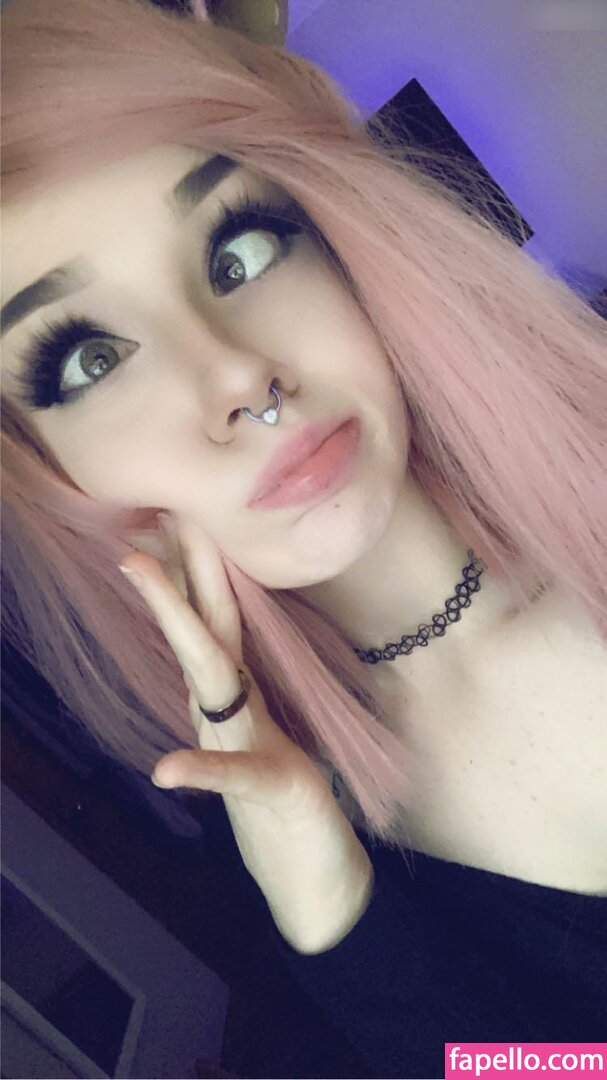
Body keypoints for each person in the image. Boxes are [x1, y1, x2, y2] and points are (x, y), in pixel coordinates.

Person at [2, 0, 606, 1076]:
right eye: (90, 360)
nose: (240, 377)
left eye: (239, 248)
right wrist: (344, 921)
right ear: (50, 476)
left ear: (340, 241)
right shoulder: (293, 869)